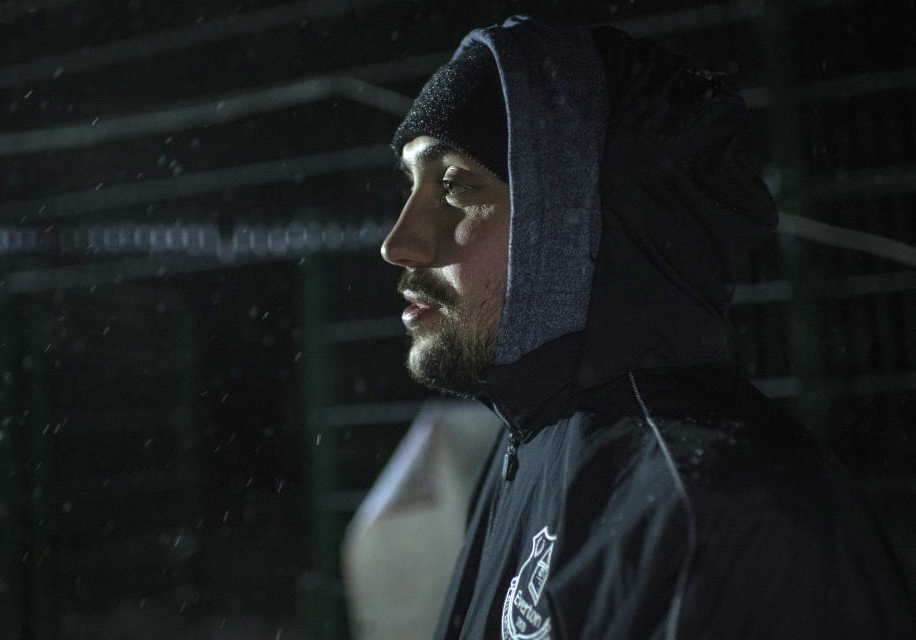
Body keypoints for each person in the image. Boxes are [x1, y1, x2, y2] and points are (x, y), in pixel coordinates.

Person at [380, 16, 916, 640]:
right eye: (409, 186)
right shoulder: (526, 447)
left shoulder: (720, 510)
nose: (399, 243)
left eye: (454, 184)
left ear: (581, 217)